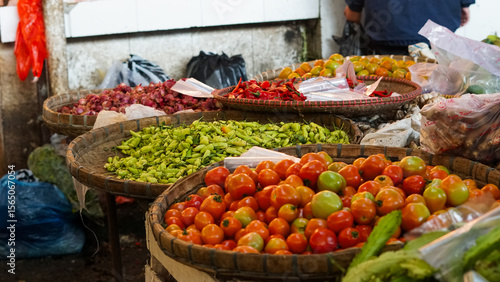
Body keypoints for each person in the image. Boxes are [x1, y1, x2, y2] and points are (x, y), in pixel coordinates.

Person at [344, 0, 475, 55]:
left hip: (390, 28)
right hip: (439, 23)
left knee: (392, 94)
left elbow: (353, 14)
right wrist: (465, 3)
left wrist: (355, 6)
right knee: (439, 97)